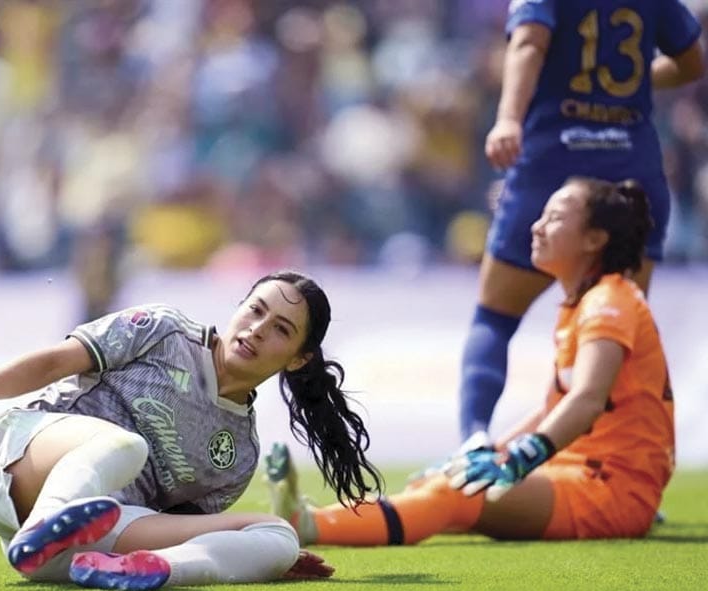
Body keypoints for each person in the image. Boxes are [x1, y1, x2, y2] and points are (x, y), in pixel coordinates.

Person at [269, 178, 676, 544]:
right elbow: (556, 406)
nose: (537, 226)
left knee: (455, 492)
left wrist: (525, 454)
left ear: (594, 239)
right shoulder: (587, 302)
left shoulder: (608, 301)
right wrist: (495, 451)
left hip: (612, 490)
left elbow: (587, 399)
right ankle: (310, 520)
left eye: (554, 218)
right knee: (447, 480)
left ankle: (308, 525)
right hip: (581, 475)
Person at [0, 270, 383, 591]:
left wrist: (253, 556)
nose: (258, 329)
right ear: (238, 307)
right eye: (255, 310)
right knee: (126, 446)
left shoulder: (240, 455)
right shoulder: (164, 331)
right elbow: (56, 362)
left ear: (299, 359)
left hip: (79, 543)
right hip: (16, 460)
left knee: (279, 536)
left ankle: (152, 570)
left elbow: (177, 526)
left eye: (280, 329)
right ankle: (46, 525)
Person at [456, 0, 703, 451]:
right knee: (615, 331)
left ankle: (473, 438)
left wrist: (508, 119)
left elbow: (529, 43)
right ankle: (609, 460)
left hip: (551, 166)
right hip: (631, 172)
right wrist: (629, 87)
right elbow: (692, 62)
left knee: (495, 317)